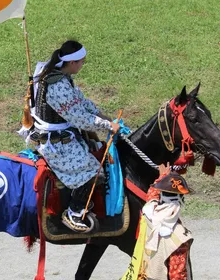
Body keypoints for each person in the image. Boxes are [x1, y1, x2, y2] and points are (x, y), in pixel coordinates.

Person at [27, 40, 120, 232]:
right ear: (72, 63)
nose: (82, 65)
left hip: (63, 133)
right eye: (81, 62)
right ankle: (74, 212)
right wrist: (106, 125)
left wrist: (102, 115)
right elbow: (79, 119)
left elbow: (80, 101)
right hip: (54, 141)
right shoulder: (57, 87)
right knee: (93, 170)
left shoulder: (62, 77)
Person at [122, 163, 194, 280]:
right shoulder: (179, 238)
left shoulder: (148, 215)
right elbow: (177, 275)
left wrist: (162, 177)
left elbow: (151, 196)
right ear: (181, 200)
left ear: (161, 196)